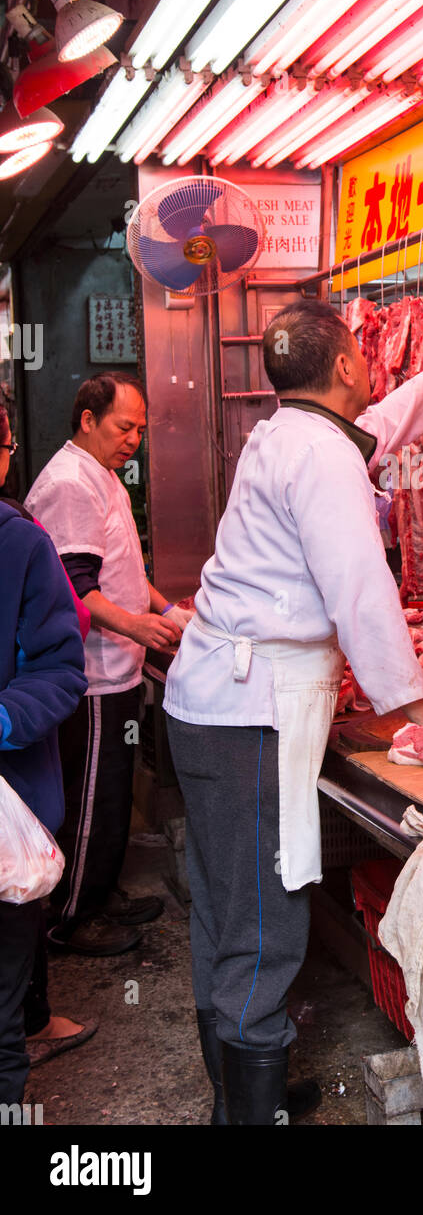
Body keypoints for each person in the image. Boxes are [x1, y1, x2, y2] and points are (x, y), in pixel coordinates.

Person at [164, 299, 423, 1125]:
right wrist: (417, 715)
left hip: (218, 704)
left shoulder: (297, 434)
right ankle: (250, 1112)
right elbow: (363, 590)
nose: (368, 370)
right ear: (347, 366)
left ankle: (246, 1087)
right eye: (361, 355)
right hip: (248, 714)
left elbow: (378, 426)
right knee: (265, 924)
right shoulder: (318, 456)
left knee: (227, 909)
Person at [24, 373, 192, 956]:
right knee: (93, 793)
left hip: (118, 668)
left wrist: (169, 609)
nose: (135, 440)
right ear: (88, 419)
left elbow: (122, 569)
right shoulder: (71, 483)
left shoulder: (101, 476)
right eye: (125, 427)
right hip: (93, 675)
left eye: (142, 430)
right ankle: (72, 916)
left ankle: (100, 890)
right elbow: (78, 589)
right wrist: (140, 627)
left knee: (113, 792)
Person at [0, 403, 97, 1066]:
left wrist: (4, 719)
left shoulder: (19, 545)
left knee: (1, 1026)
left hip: (9, 827)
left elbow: (62, 666)